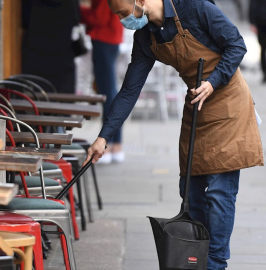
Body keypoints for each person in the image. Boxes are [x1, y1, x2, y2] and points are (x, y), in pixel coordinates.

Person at [84, 0, 264, 269]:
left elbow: (237, 44)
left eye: (123, 13)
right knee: (189, 192)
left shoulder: (194, 8)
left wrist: (213, 83)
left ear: (140, 1)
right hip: (197, 107)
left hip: (227, 102)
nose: (123, 21)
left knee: (218, 192)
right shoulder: (146, 37)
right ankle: (197, 257)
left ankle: (215, 263)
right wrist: (104, 136)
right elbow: (130, 91)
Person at [80, 0, 125, 163]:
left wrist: (80, 11)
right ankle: (114, 144)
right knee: (109, 92)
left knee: (108, 94)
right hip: (110, 37)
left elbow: (99, 17)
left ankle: (110, 143)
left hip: (104, 38)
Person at [21, 0, 81, 94]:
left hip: (35, 53)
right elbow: (76, 18)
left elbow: (24, 18)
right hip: (62, 53)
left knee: (34, 94)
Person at [249, 0, 266, 83]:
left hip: (260, 22)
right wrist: (252, 23)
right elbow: (252, 7)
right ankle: (264, 73)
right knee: (263, 48)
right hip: (261, 23)